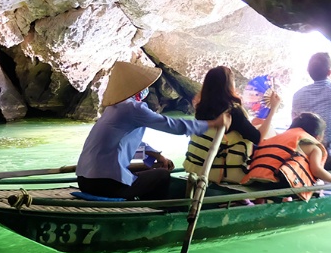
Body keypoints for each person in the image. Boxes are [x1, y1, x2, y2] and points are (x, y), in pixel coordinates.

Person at [76, 61, 230, 200]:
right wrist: (211, 124)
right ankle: (153, 212)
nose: (147, 89)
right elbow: (171, 125)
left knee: (149, 167)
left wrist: (155, 155)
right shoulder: (132, 109)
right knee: (162, 175)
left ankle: (137, 199)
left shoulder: (113, 109)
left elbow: (126, 144)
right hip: (104, 184)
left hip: (84, 180)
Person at [184, 66, 281, 184]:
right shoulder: (233, 112)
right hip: (226, 173)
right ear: (229, 86)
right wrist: (273, 110)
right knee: (270, 132)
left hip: (197, 168)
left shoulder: (200, 109)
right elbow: (258, 138)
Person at [241, 113, 331, 202]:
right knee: (318, 185)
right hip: (280, 182)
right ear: (317, 136)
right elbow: (317, 170)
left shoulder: (279, 137)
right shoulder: (313, 147)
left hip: (256, 179)